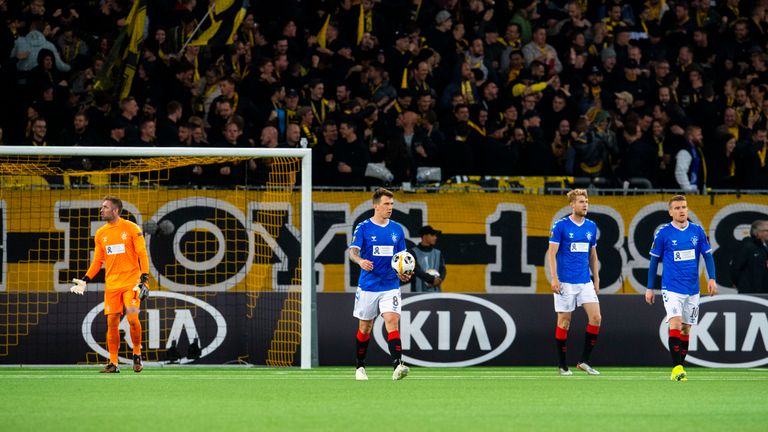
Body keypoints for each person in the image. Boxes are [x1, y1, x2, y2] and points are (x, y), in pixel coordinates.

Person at [69, 196, 150, 373]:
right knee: (112, 322)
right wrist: (86, 279)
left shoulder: (131, 228)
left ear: (115, 211)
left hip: (132, 283)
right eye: (102, 207)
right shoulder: (101, 233)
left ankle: (137, 353)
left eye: (105, 207)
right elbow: (98, 260)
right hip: (112, 285)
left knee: (132, 319)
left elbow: (142, 253)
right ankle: (113, 363)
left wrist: (144, 277)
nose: (101, 210)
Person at [645, 195, 718, 381]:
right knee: (676, 323)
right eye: (677, 208)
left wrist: (712, 278)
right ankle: (676, 367)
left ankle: (680, 368)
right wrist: (649, 287)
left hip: (692, 289)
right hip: (672, 288)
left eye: (684, 207)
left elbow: (708, 256)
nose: (681, 210)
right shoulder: (663, 233)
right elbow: (654, 261)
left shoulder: (697, 231)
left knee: (686, 329)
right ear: (670, 212)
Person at [349, 188, 412, 381]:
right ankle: (360, 367)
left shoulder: (397, 229)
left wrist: (403, 273)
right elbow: (352, 252)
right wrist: (360, 261)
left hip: (390, 285)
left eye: (392, 204)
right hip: (368, 285)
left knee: (392, 321)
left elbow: (401, 257)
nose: (390, 208)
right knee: (365, 327)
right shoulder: (363, 227)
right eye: (386, 204)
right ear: (376, 206)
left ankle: (397, 365)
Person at [547, 189, 602, 376]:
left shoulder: (591, 226)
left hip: (584, 281)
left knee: (596, 318)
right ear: (572, 205)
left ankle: (584, 361)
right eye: (580, 202)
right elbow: (552, 253)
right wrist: (554, 278)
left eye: (586, 201)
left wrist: (596, 277)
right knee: (564, 323)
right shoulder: (561, 226)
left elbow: (592, 254)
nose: (585, 204)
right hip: (565, 282)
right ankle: (563, 366)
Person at [729, 220, 768, 293]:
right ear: (758, 232)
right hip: (750, 293)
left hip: (763, 292)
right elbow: (735, 268)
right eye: (767, 230)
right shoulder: (747, 246)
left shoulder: (763, 247)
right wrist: (742, 285)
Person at [408, 225, 446, 292]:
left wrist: (439, 280)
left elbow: (443, 269)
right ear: (425, 236)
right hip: (417, 294)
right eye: (432, 235)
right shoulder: (412, 252)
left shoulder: (438, 253)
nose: (435, 238)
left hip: (436, 293)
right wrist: (432, 280)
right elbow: (416, 270)